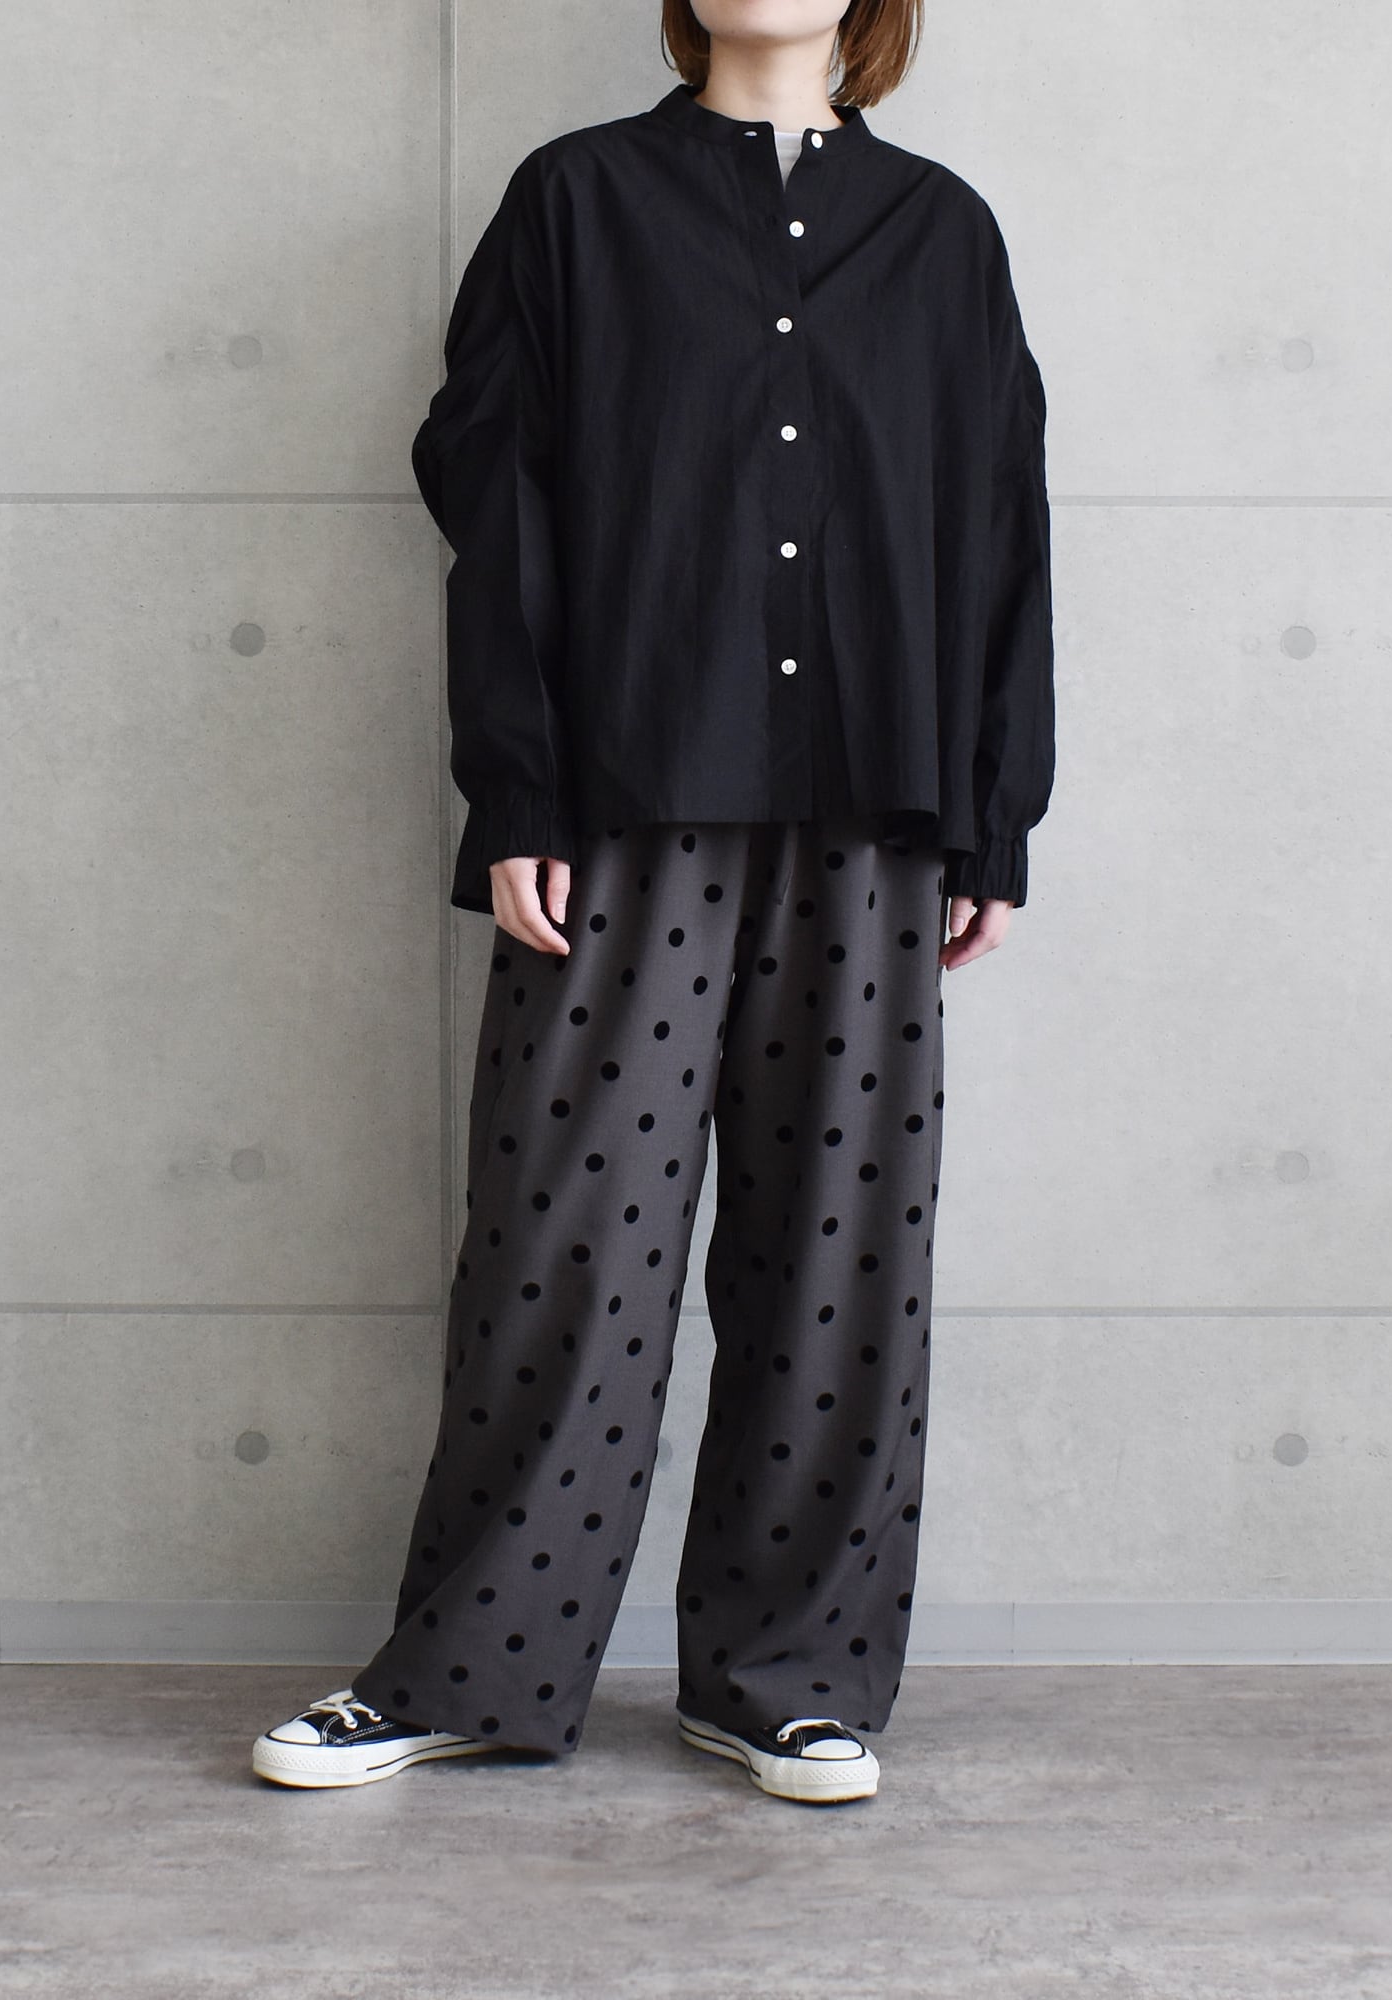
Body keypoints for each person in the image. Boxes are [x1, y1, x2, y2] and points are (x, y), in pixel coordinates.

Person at [253, 0, 1054, 1806]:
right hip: (626, 795)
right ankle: (468, 1671)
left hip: (873, 807)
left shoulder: (942, 233)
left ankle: (790, 1680)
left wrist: (997, 815)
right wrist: (519, 788)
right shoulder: (576, 202)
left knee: (839, 1260)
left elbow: (1003, 519)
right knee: (567, 1245)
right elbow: (494, 496)